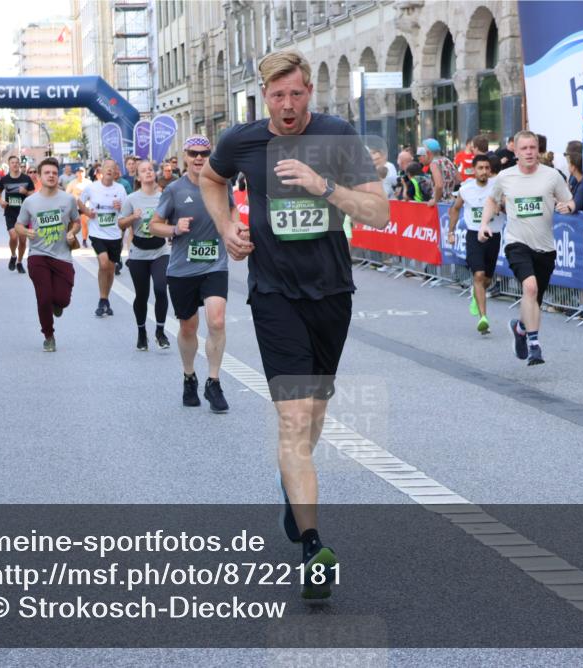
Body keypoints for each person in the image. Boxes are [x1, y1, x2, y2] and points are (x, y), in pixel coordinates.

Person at [199, 50, 389, 600]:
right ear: (264, 98)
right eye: (277, 96)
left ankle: (293, 486)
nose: (287, 105)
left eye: (297, 94)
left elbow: (379, 213)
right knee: (294, 417)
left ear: (311, 92)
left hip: (331, 293)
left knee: (316, 413)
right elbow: (214, 180)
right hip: (274, 293)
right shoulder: (242, 140)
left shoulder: (338, 136)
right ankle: (313, 545)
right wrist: (228, 224)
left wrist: (322, 186)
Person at [149, 135, 236, 412]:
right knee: (188, 327)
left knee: (217, 321)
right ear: (185, 156)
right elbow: (153, 226)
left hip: (215, 265)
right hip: (183, 269)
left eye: (205, 153)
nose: (199, 158)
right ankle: (189, 376)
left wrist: (238, 229)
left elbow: (233, 215)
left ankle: (214, 382)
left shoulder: (223, 186)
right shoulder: (174, 190)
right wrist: (175, 228)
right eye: (193, 153)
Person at [479, 130, 574, 366]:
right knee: (529, 288)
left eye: (533, 148)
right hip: (516, 242)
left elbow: (569, 199)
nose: (529, 152)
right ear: (516, 152)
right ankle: (534, 345)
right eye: (524, 149)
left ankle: (520, 327)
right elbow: (492, 200)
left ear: (538, 150)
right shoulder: (505, 177)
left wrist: (568, 207)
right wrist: (483, 224)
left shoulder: (552, 176)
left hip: (545, 247)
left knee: (534, 299)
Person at [15, 157, 81, 352]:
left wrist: (72, 232)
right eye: (47, 173)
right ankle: (48, 335)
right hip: (38, 255)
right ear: (39, 176)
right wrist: (26, 232)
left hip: (62, 255)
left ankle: (57, 304)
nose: (51, 176)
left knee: (62, 300)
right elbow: (18, 225)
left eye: (54, 172)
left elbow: (76, 221)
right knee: (43, 297)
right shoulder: (30, 201)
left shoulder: (68, 199)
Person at [447, 154, 505, 333]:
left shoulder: (497, 187)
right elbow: (455, 209)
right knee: (478, 275)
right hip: (474, 236)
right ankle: (483, 318)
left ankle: (476, 294)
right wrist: (451, 231)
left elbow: (507, 206)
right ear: (474, 170)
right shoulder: (466, 189)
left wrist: (500, 207)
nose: (484, 172)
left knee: (486, 279)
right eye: (480, 168)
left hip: (493, 236)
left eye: (487, 168)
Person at [123, 159, 170, 350]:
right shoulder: (131, 199)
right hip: (138, 253)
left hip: (161, 250)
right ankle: (142, 332)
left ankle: (160, 331)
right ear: (139, 176)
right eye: (144, 170)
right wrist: (133, 217)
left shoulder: (164, 197)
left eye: (151, 169)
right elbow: (120, 224)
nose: (148, 172)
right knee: (142, 295)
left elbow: (172, 218)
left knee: (160, 289)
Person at [77, 159, 130, 317]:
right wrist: (87, 212)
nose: (109, 170)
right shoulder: (92, 187)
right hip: (97, 233)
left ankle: (105, 299)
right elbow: (79, 201)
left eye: (113, 168)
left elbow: (127, 210)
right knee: (104, 263)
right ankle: (102, 297)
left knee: (111, 268)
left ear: (116, 173)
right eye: (107, 167)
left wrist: (120, 207)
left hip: (114, 234)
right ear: (101, 170)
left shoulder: (120, 189)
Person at [0, 155, 35, 273]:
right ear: (9, 164)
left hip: (24, 213)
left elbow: (33, 194)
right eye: (12, 162)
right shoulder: (5, 179)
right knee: (13, 237)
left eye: (17, 162)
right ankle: (13, 255)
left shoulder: (26, 179)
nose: (15, 164)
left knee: (23, 240)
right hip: (10, 212)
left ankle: (19, 262)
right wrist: (0, 201)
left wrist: (26, 192)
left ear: (19, 164)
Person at [417, 137, 458, 205]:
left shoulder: (434, 164)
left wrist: (435, 200)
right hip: (451, 200)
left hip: (441, 203)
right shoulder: (447, 160)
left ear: (428, 153)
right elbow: (459, 179)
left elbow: (439, 185)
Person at [65, 167, 90, 247]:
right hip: (75, 207)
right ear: (76, 173)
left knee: (84, 223)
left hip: (85, 207)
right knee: (73, 225)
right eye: (79, 172)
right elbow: (67, 194)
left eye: (82, 172)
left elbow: (94, 195)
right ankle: (72, 238)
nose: (80, 174)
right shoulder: (72, 183)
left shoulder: (89, 183)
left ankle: (84, 239)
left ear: (85, 173)